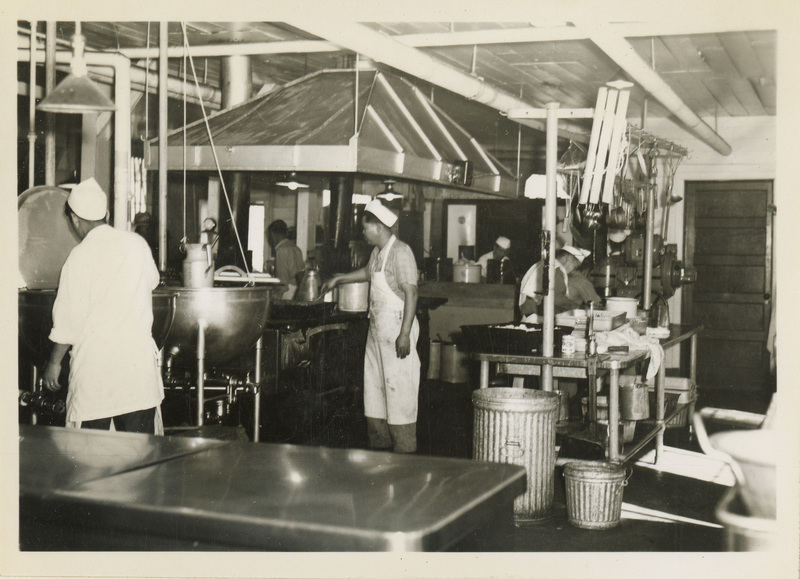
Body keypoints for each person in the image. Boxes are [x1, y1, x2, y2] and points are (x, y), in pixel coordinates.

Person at [43, 178, 164, 434]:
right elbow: (152, 282)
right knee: (140, 463)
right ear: (106, 214)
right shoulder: (136, 244)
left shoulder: (79, 257)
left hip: (96, 378)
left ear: (75, 220)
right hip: (137, 377)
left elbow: (67, 323)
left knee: (91, 463)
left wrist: (54, 363)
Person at [321, 199, 420, 453]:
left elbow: (412, 294)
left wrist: (405, 334)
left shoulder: (401, 252)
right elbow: (367, 273)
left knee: (399, 391)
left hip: (398, 329)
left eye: (365, 228)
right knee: (375, 390)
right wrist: (341, 278)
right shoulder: (378, 253)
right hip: (378, 332)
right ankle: (380, 448)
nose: (363, 234)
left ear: (377, 227)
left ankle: (405, 452)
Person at [519, 245, 602, 321]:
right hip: (536, 318)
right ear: (568, 258)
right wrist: (576, 307)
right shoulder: (558, 270)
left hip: (528, 315)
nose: (573, 270)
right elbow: (556, 299)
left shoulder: (544, 264)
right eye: (575, 266)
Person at [267, 219, 305, 300]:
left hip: (288, 293)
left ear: (273, 234)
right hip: (299, 292)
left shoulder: (281, 251)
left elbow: (282, 282)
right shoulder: (297, 249)